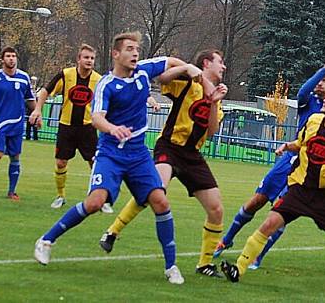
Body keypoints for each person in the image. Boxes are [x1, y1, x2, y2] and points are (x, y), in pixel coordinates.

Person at [33, 31, 199, 284]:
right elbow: (97, 117)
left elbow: (168, 61)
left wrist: (188, 67)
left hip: (138, 155)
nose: (135, 53)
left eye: (137, 49)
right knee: (95, 202)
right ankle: (46, 240)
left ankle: (171, 266)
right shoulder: (106, 84)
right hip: (111, 153)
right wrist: (112, 128)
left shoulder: (144, 71)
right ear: (116, 53)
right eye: (129, 49)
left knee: (161, 202)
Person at [219, 88, 325, 291]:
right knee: (268, 224)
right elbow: (301, 143)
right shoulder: (314, 120)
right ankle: (238, 269)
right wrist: (286, 146)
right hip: (299, 189)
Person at [97, 49, 229, 278]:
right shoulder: (187, 83)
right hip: (169, 147)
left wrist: (214, 103)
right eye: (220, 62)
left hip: (193, 155)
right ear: (206, 63)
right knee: (156, 190)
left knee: (216, 209)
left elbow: (211, 133)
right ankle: (112, 232)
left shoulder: (217, 94)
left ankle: (204, 264)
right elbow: (162, 79)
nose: (224, 67)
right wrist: (187, 68)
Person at [214, 56, 325, 268]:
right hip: (287, 160)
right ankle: (226, 240)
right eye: (319, 79)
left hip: (306, 168)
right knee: (256, 201)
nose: (320, 82)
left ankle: (257, 257)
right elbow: (301, 92)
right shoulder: (309, 102)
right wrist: (322, 69)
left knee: (281, 210)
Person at [28, 44, 110, 211]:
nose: (89, 61)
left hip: (88, 128)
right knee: (60, 162)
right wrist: (38, 110)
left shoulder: (99, 80)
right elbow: (44, 91)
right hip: (66, 127)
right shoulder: (66, 75)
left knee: (94, 163)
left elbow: (109, 100)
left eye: (92, 58)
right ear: (78, 59)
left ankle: (99, 199)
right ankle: (60, 196)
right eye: (86, 57)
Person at [0, 47, 36, 199]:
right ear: (3, 59)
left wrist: (37, 113)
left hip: (17, 124)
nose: (11, 59)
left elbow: (30, 99)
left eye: (13, 56)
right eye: (8, 56)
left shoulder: (23, 77)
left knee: (15, 156)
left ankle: (11, 192)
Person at [25, 76, 39, 141]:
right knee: (29, 124)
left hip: (35, 110)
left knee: (35, 125)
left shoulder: (36, 92)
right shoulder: (29, 90)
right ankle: (28, 136)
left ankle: (35, 137)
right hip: (29, 111)